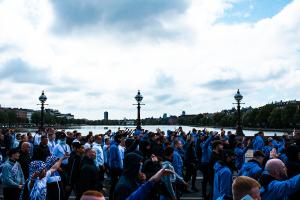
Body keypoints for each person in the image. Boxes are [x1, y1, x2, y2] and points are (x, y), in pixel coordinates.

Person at [109, 133, 123, 200]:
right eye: (121, 138)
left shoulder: (116, 146)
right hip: (115, 170)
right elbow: (113, 160)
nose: (122, 140)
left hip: (117, 169)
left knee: (116, 185)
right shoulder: (113, 147)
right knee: (114, 185)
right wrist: (117, 169)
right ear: (118, 138)